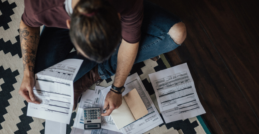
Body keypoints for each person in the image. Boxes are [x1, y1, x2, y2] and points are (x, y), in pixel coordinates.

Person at [18, 0, 186, 116]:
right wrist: (27, 72)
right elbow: (27, 24)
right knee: (41, 78)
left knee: (176, 34)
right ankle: (96, 66)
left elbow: (130, 42)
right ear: (69, 24)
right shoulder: (41, 5)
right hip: (60, 20)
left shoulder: (125, 3)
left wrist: (117, 88)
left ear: (118, 17)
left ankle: (96, 72)